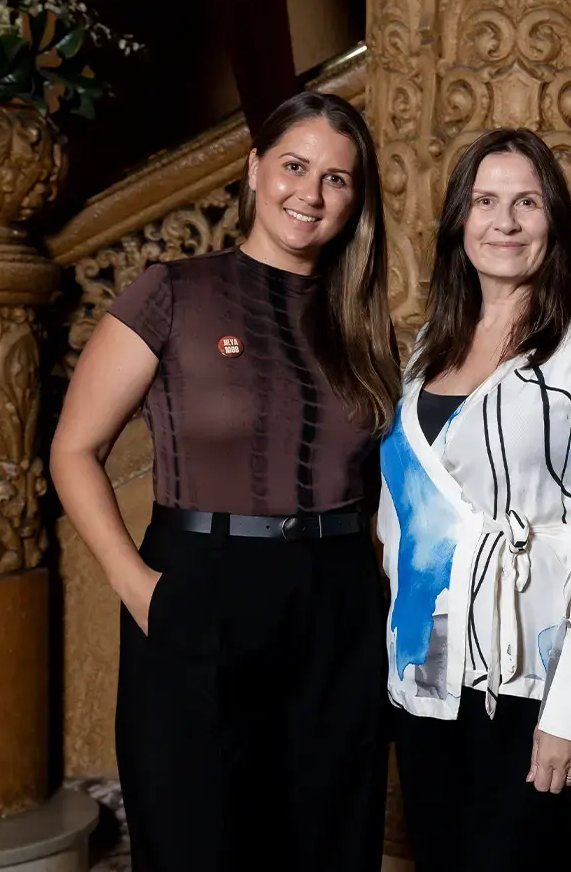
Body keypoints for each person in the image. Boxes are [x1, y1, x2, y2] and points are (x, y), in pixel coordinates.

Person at [50, 91, 399, 872]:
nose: (310, 194)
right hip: (202, 585)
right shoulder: (172, 291)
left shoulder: (361, 319)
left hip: (338, 601)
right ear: (253, 169)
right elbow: (74, 449)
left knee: (330, 841)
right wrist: (139, 587)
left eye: (336, 179)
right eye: (294, 167)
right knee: (198, 842)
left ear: (356, 200)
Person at [379, 127, 571, 871]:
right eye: (485, 201)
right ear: (459, 221)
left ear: (553, 219)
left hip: (533, 673)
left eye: (526, 202)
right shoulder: (426, 348)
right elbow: (400, 516)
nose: (505, 221)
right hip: (425, 676)